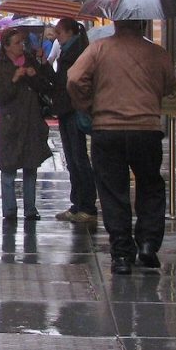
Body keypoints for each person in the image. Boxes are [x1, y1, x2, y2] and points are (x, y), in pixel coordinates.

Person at [67, 19, 176, 276]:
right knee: (150, 186)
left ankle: (121, 255)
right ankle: (148, 244)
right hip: (146, 129)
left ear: (117, 23)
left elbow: (74, 78)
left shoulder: (99, 49)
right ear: (142, 25)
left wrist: (87, 104)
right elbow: (170, 84)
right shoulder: (157, 52)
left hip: (108, 129)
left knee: (112, 191)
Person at [0, 28, 53, 221]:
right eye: (16, 43)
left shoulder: (31, 61)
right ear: (7, 46)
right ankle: (9, 210)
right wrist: (15, 78)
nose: (21, 46)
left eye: (22, 43)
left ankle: (30, 208)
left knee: (30, 166)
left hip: (32, 121)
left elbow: (46, 87)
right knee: (8, 168)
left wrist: (37, 71)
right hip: (11, 124)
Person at [51, 18, 97, 225]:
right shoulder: (69, 50)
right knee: (72, 159)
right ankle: (77, 203)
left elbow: (73, 81)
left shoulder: (77, 51)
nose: (57, 38)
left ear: (70, 32)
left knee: (78, 158)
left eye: (59, 33)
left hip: (72, 110)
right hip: (66, 109)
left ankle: (86, 205)